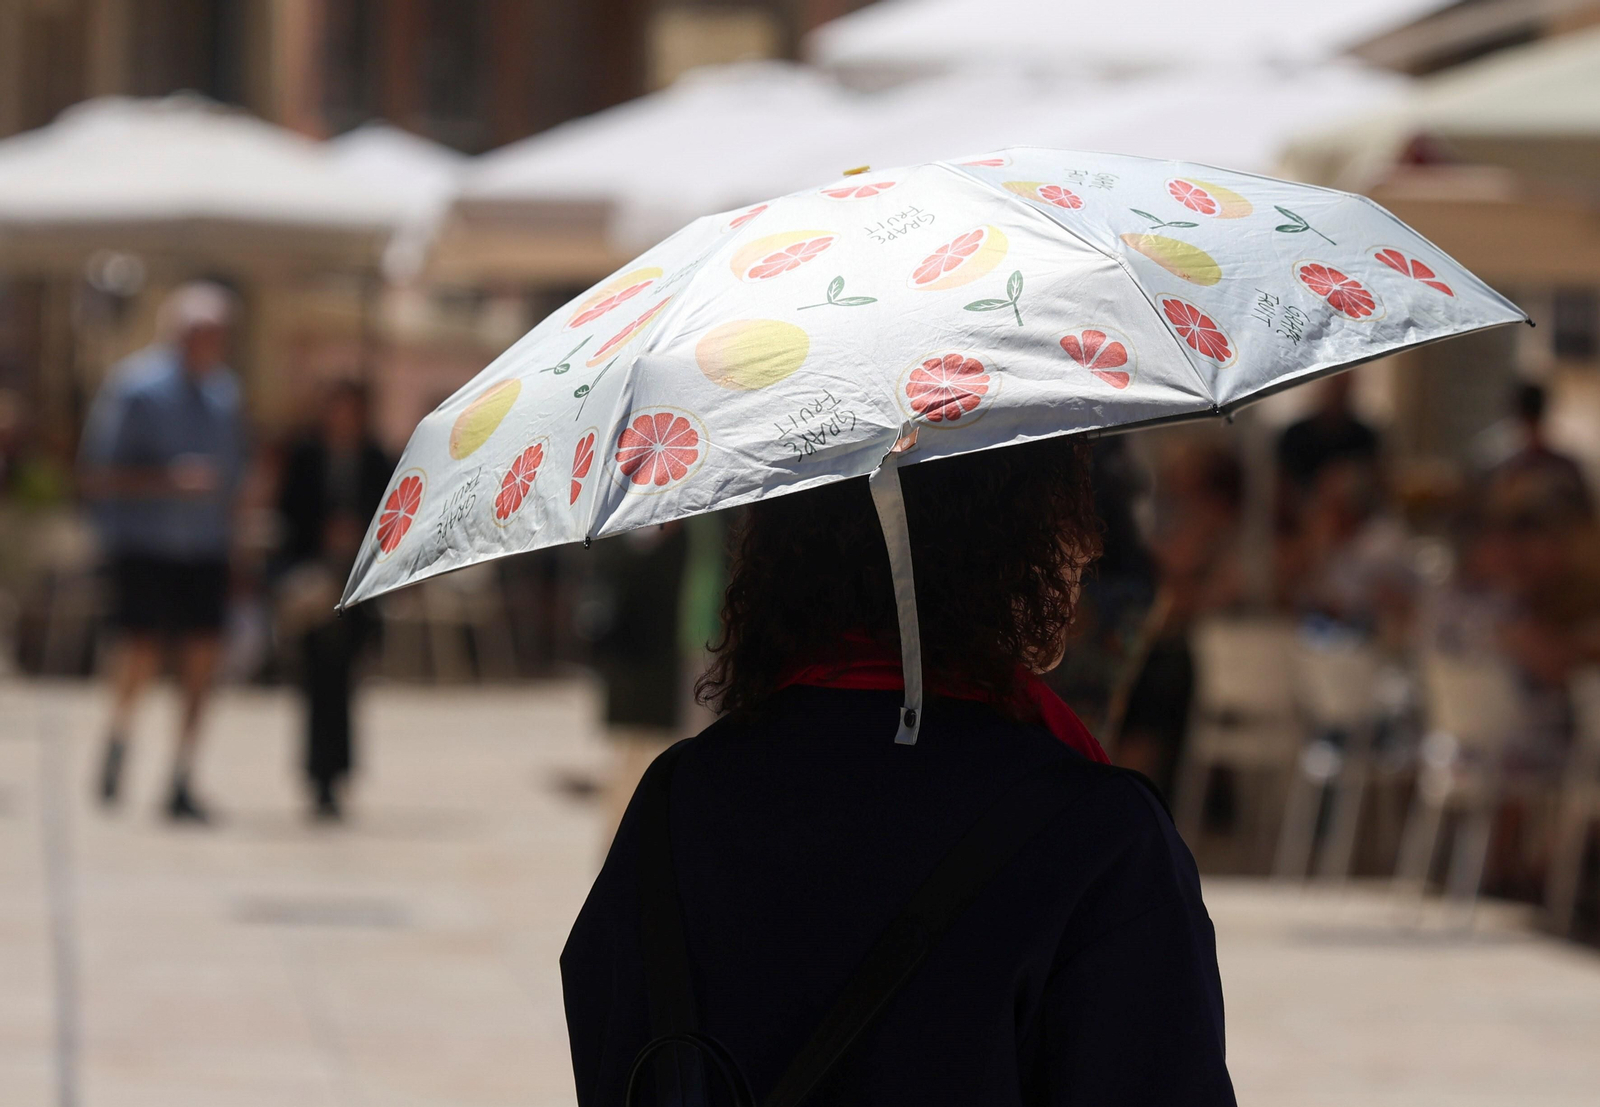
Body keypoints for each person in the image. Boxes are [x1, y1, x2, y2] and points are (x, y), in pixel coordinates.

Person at [562, 437, 1235, 1105]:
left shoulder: (675, 803)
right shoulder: (1096, 836)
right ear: (1004, 530)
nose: (1089, 543)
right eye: (1068, 497)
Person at [79, 282, 245, 821]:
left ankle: (181, 773)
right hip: (146, 544)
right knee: (140, 652)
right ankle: (119, 737)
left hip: (205, 546)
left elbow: (234, 481)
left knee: (203, 660)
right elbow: (100, 475)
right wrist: (167, 481)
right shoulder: (135, 388)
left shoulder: (225, 395)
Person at [275, 380, 392, 821]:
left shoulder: (375, 458)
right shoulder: (306, 456)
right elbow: (288, 514)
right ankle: (316, 774)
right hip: (310, 583)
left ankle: (337, 772)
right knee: (315, 682)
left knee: (343, 682)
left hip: (356, 587)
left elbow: (390, 513)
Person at [587, 522, 690, 843]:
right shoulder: (615, 539)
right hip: (628, 669)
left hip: (656, 668)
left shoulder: (681, 538)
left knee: (654, 759)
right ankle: (621, 840)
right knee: (625, 761)